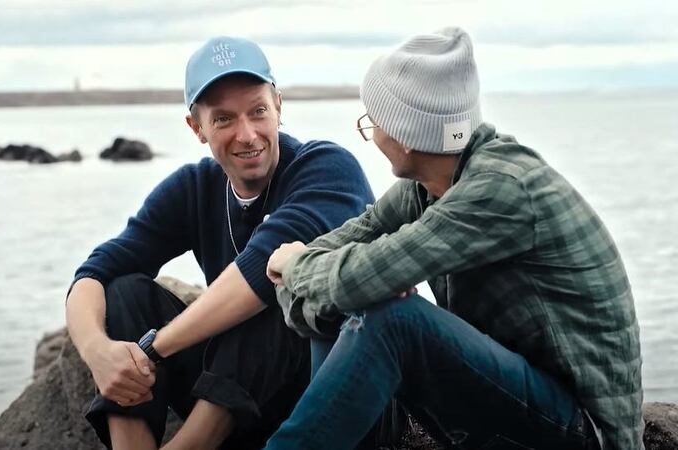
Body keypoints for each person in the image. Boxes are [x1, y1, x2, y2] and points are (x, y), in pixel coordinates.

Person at [264, 28, 643, 450]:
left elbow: (354, 276)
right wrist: (312, 286)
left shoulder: (500, 189)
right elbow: (336, 265)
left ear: (407, 136)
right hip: (520, 404)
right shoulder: (428, 185)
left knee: (394, 317)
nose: (371, 133)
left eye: (373, 122)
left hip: (583, 432)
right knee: (349, 299)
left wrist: (297, 266)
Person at [65, 36, 374, 450]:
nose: (247, 134)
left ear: (278, 106)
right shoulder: (194, 188)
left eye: (258, 111)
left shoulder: (327, 169)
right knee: (125, 292)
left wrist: (151, 351)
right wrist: (98, 353)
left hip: (326, 392)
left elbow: (259, 271)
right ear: (197, 128)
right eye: (224, 119)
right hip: (242, 392)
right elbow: (95, 272)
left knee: (279, 285)